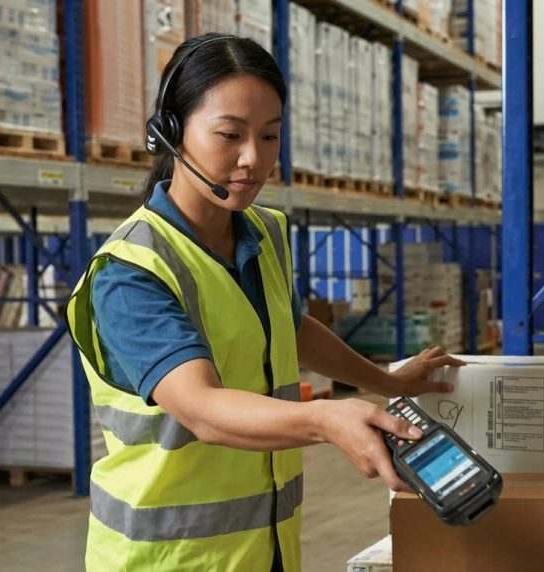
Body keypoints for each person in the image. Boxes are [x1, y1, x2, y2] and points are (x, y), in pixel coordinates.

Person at [65, 33, 465, 571]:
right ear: (170, 132)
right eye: (229, 134)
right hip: (171, 559)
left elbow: (286, 327)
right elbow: (202, 409)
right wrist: (325, 418)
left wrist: (386, 380)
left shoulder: (264, 232)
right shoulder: (130, 272)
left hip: (267, 547)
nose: (253, 159)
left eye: (270, 136)